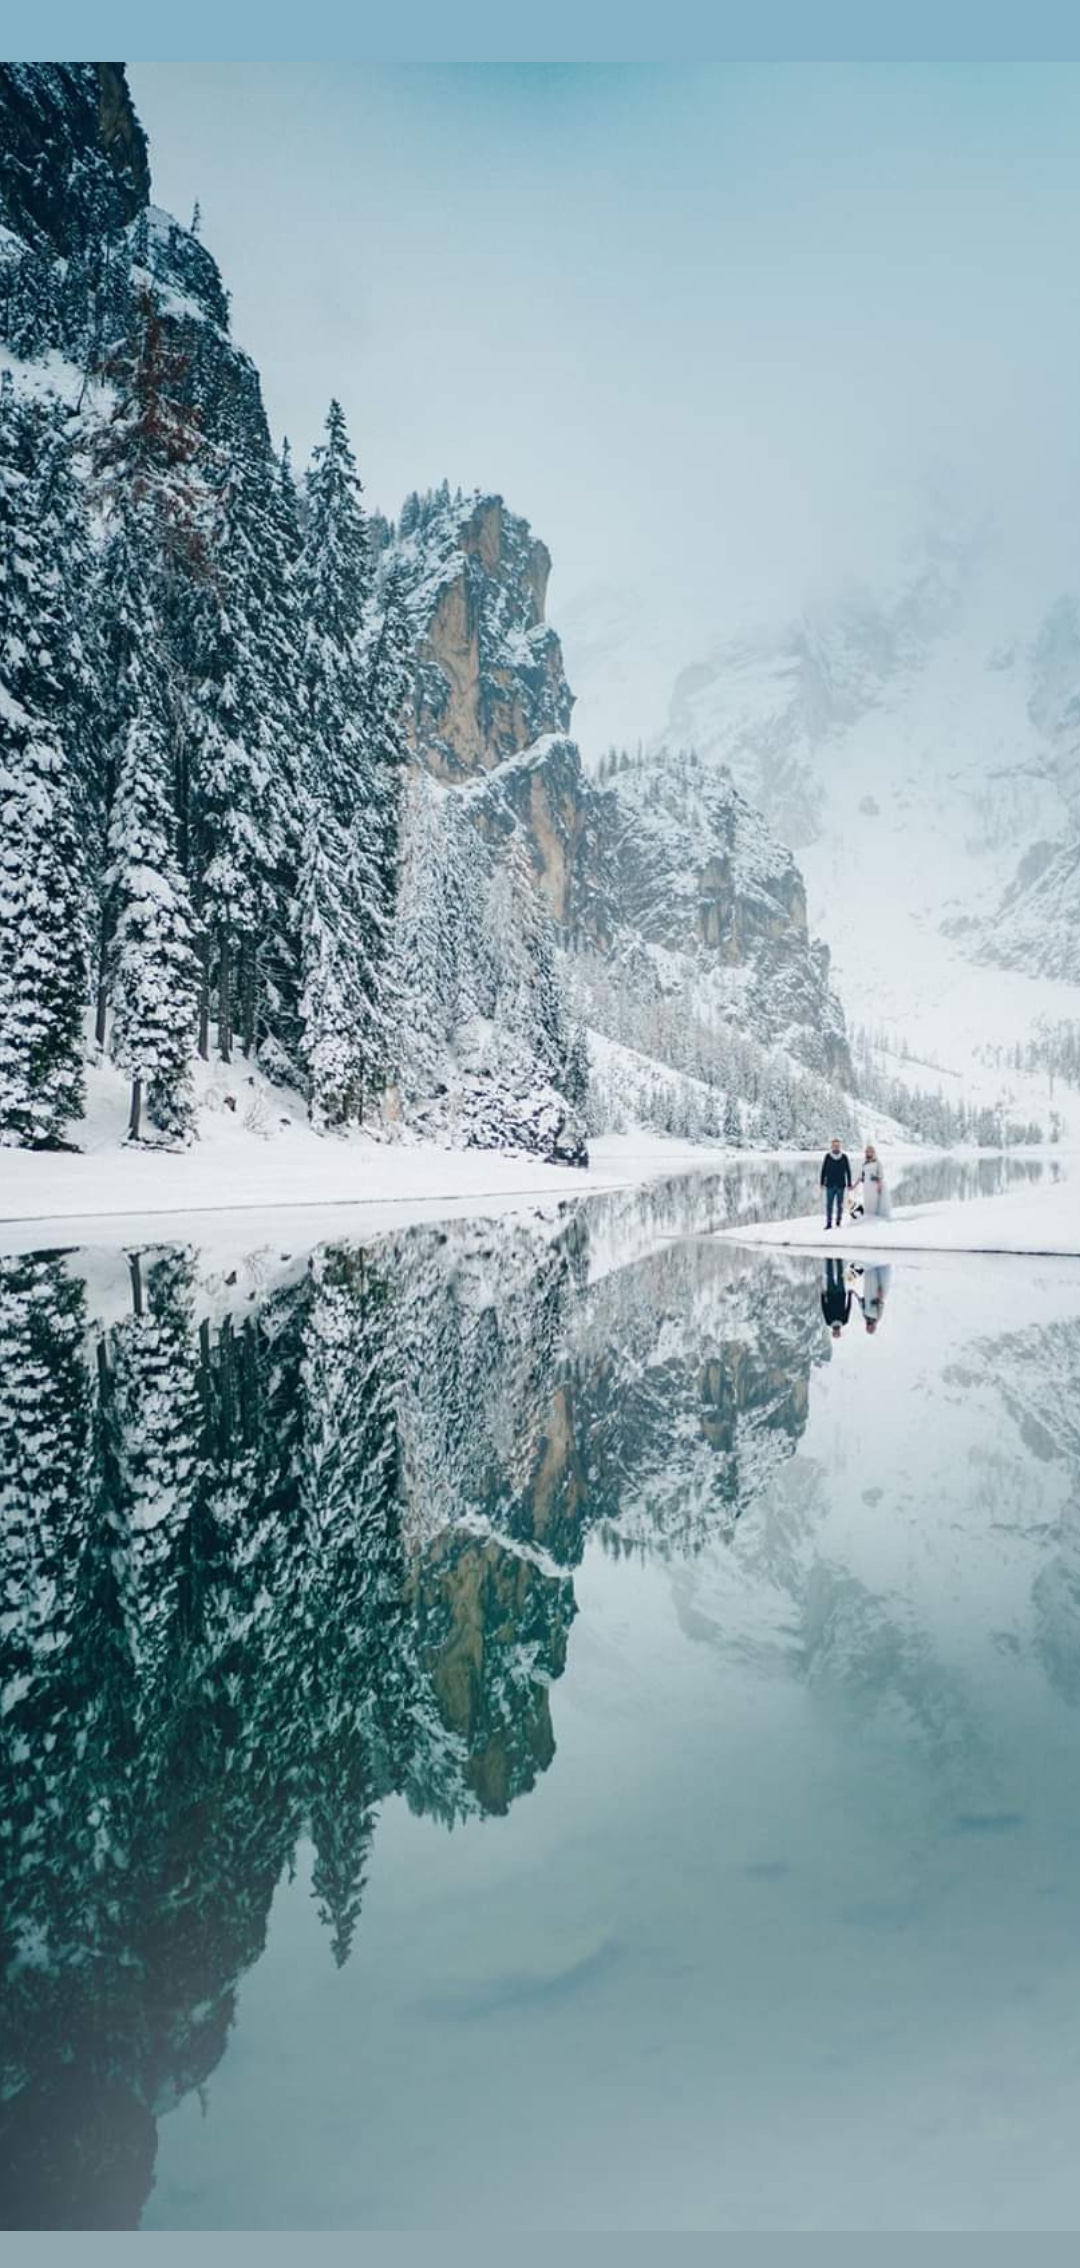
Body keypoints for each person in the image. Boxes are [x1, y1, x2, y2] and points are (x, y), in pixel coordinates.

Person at [819, 1136, 852, 1228]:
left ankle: (838, 1222)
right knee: (829, 1205)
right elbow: (823, 1170)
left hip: (841, 1185)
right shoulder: (828, 1157)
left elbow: (848, 1171)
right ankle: (829, 1223)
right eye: (834, 1145)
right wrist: (821, 1182)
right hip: (829, 1185)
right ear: (832, 1146)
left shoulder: (844, 1157)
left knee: (840, 1205)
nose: (836, 1147)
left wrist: (849, 1183)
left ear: (840, 1146)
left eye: (837, 1145)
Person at [857, 1144, 891, 1221]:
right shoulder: (864, 1163)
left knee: (874, 1202)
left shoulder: (877, 1162)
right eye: (867, 1152)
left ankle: (874, 1218)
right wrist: (854, 1186)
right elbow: (860, 1176)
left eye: (870, 1152)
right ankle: (867, 1216)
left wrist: (878, 1184)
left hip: (874, 1185)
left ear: (873, 1152)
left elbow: (881, 1175)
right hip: (866, 1186)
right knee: (867, 1201)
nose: (869, 1153)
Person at [820, 1256, 851, 1338]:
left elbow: (824, 1308)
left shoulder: (828, 1322)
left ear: (832, 1332)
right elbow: (848, 1308)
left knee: (830, 1276)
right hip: (841, 1294)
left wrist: (822, 1296)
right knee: (840, 1276)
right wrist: (850, 1295)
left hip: (830, 1294)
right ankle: (839, 1261)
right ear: (840, 1332)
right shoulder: (844, 1321)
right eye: (837, 1333)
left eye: (835, 1333)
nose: (836, 1331)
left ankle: (829, 1261)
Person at [856, 1261, 891, 1334]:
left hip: (868, 1294)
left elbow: (861, 1304)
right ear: (874, 1327)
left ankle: (870, 1264)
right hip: (875, 1294)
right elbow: (881, 1305)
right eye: (871, 1329)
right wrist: (880, 1296)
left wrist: (855, 1294)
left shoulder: (865, 1316)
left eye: (868, 1328)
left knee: (869, 1278)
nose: (869, 1327)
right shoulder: (877, 1318)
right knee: (878, 1279)